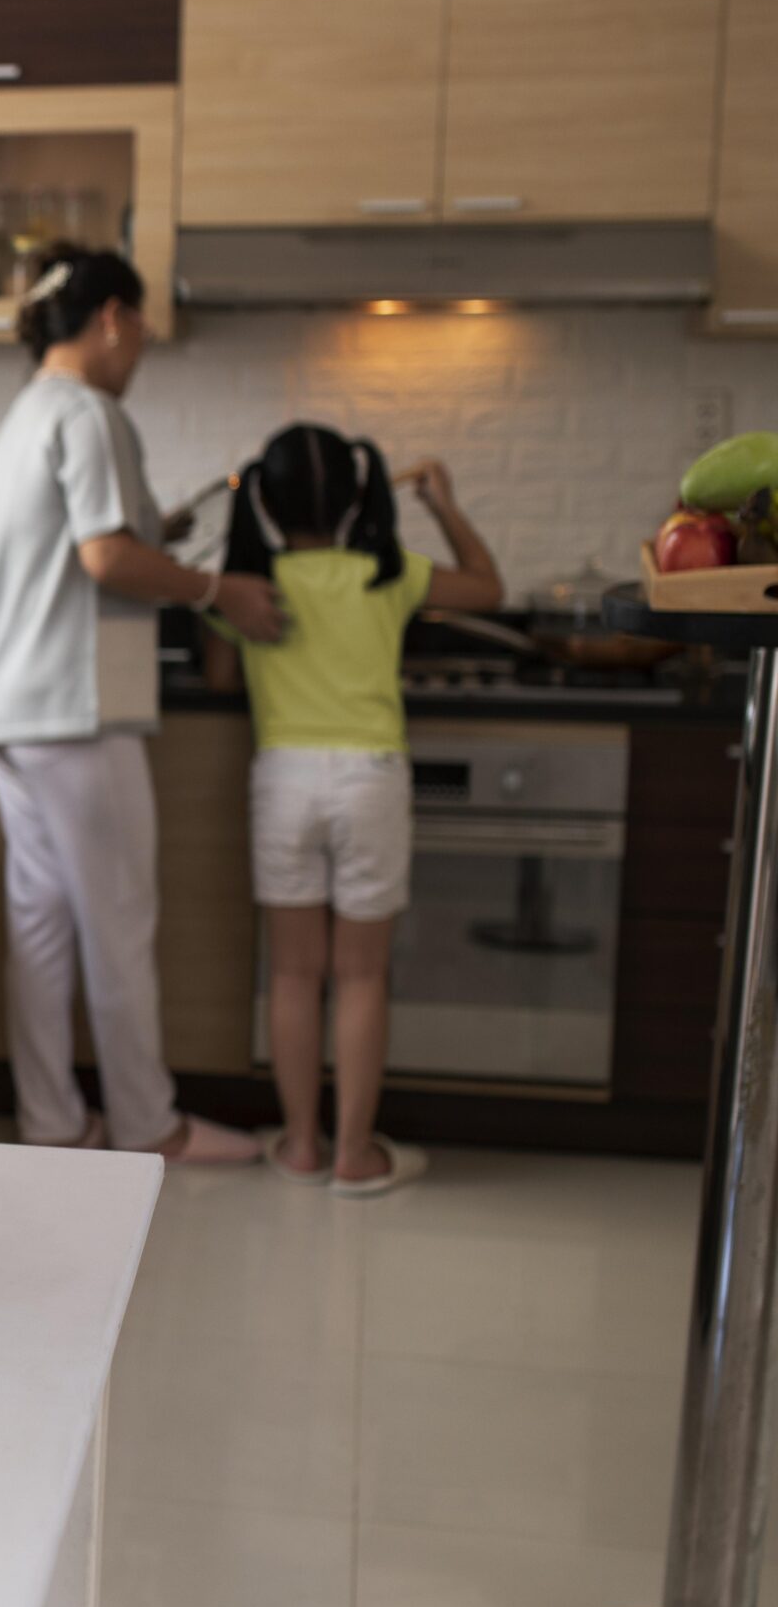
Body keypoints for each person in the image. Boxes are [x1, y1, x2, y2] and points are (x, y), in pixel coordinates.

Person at [0, 245, 286, 1162]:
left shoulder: (28, 414)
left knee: (41, 921)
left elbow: (85, 548)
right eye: (141, 323)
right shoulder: (92, 411)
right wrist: (218, 590)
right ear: (111, 316)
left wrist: (165, 538)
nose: (143, 343)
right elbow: (106, 558)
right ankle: (152, 1125)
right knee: (117, 920)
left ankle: (54, 1121)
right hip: (78, 707)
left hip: (12, 704)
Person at [203, 425, 503, 1196]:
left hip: (284, 779)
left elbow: (222, 680)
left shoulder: (245, 582)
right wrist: (444, 505)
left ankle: (301, 1144)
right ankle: (355, 1154)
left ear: (265, 499)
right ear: (358, 493)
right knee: (362, 973)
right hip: (371, 777)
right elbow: (487, 587)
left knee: (295, 974)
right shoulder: (387, 569)